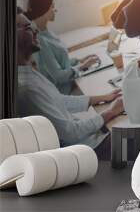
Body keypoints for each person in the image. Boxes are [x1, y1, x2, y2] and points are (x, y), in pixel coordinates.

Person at [16, 13, 124, 159]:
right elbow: (70, 133)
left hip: (88, 139)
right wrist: (109, 113)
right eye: (28, 27)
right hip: (87, 150)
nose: (35, 31)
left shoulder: (26, 72)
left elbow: (57, 100)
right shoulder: (25, 88)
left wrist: (102, 98)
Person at [24, 0, 99, 94]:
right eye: (52, 7)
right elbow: (59, 76)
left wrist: (79, 60)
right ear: (44, 10)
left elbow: (59, 62)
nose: (55, 10)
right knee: (97, 84)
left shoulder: (47, 32)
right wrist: (83, 66)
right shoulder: (39, 39)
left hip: (72, 82)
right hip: (64, 91)